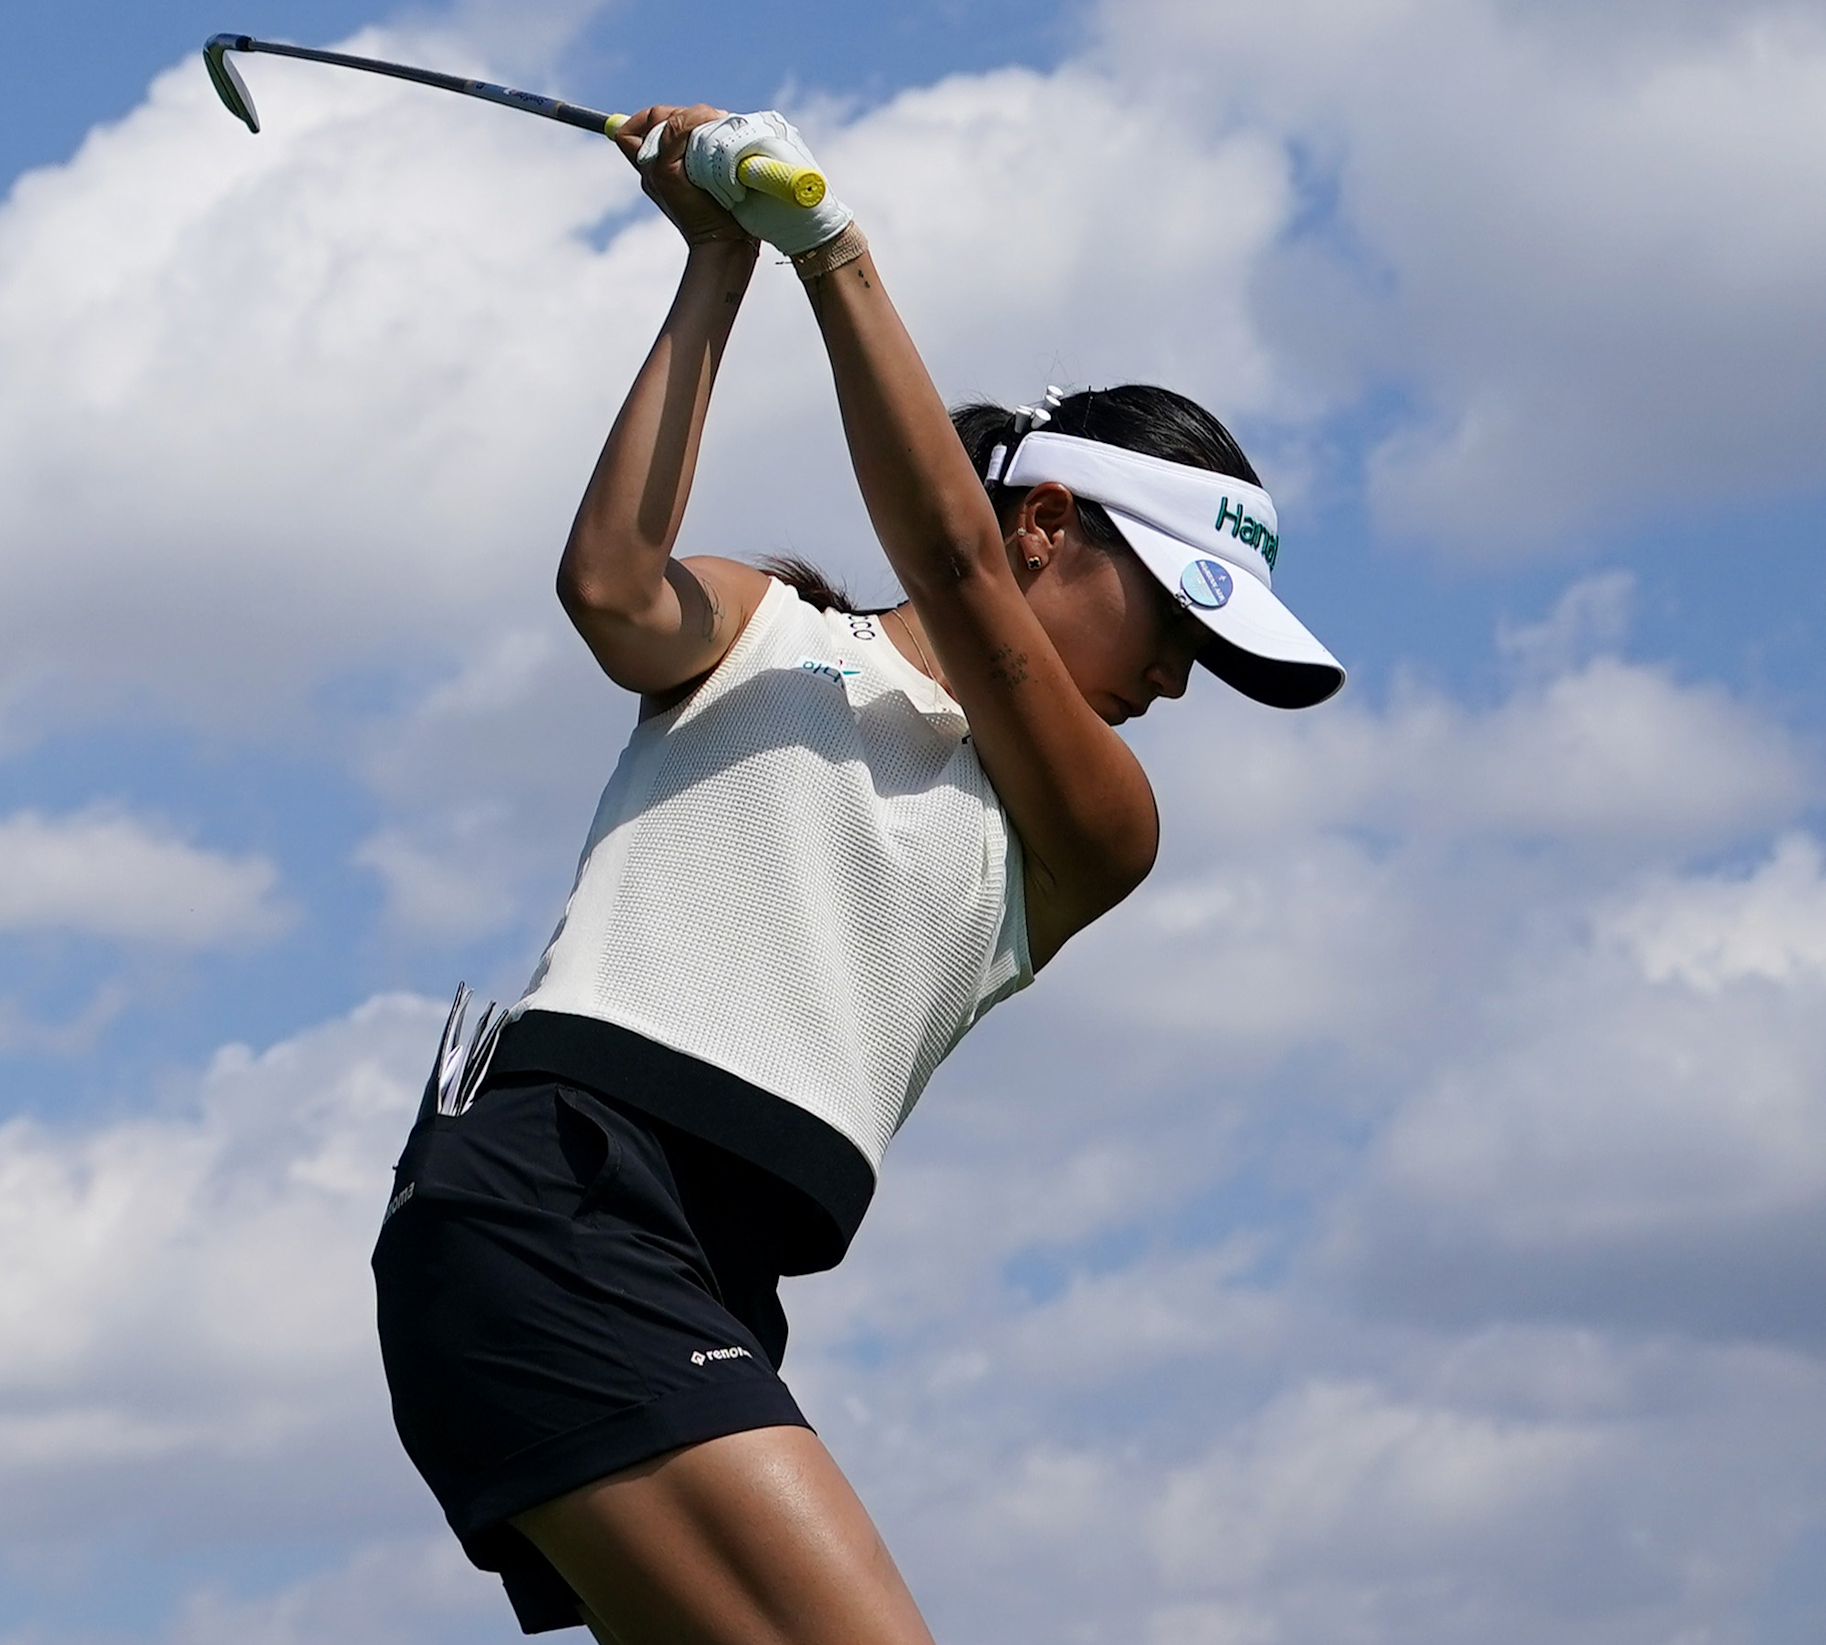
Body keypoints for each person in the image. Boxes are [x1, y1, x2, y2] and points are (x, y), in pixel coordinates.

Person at [369, 104, 1345, 1642]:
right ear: (1046, 524)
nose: (1180, 675)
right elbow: (613, 586)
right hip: (557, 1197)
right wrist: (733, 263)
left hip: (698, 1272)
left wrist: (828, 251)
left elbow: (957, 579)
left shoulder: (1096, 826)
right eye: (1174, 618)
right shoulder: (765, 631)